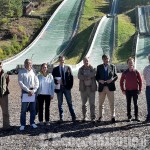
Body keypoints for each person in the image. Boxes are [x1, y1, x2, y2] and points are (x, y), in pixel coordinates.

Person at [52, 56, 76, 123]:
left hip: (67, 88)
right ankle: (61, 117)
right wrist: (57, 81)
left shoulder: (68, 68)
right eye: (60, 60)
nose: (62, 61)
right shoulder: (55, 69)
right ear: (59, 61)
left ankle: (73, 117)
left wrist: (70, 87)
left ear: (64, 60)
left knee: (70, 103)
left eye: (63, 60)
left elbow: (71, 78)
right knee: (60, 103)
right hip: (59, 88)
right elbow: (52, 78)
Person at [96, 54, 118, 123]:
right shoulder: (99, 67)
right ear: (103, 60)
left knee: (112, 103)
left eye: (108, 59)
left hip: (110, 87)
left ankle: (113, 116)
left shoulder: (112, 66)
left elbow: (116, 76)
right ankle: (100, 116)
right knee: (100, 103)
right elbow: (96, 77)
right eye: (105, 59)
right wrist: (99, 80)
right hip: (102, 87)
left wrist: (112, 80)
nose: (107, 60)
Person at [18, 59, 39, 131]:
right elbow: (20, 83)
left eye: (30, 63)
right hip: (25, 92)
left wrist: (34, 90)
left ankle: (32, 122)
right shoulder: (21, 72)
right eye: (27, 63)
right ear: (24, 64)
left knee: (33, 109)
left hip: (33, 92)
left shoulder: (34, 72)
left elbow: (37, 82)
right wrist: (28, 90)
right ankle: (22, 124)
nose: (28, 65)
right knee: (23, 109)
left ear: (31, 64)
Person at [120, 57, 142, 122]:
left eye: (132, 62)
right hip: (128, 91)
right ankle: (129, 117)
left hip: (135, 90)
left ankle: (136, 116)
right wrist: (123, 90)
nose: (130, 64)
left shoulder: (136, 72)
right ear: (127, 64)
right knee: (128, 104)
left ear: (133, 63)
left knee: (136, 104)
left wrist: (140, 89)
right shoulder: (125, 72)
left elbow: (140, 81)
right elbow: (121, 81)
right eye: (129, 63)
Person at [78, 57, 97, 122]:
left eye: (87, 61)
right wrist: (85, 77)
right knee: (84, 104)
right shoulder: (81, 69)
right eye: (85, 61)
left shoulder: (93, 68)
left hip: (91, 89)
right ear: (83, 62)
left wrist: (87, 76)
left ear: (89, 61)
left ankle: (93, 117)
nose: (86, 62)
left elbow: (94, 74)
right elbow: (79, 76)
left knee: (92, 104)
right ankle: (84, 117)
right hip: (83, 89)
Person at [0, 62, 11, 130]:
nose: (0, 66)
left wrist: (3, 89)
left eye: (0, 65)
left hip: (4, 95)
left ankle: (6, 127)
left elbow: (7, 82)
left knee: (5, 112)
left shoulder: (6, 73)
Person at [143, 54, 150, 122]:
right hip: (148, 87)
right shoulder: (146, 68)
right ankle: (149, 116)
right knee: (148, 103)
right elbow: (144, 77)